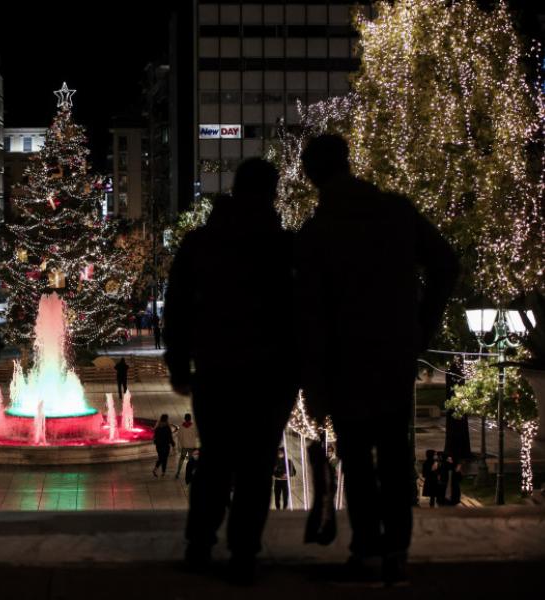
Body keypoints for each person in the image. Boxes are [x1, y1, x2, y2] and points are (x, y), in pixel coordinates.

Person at [295, 134, 458, 585]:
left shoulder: (318, 232)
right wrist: (422, 326)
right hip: (393, 353)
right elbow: (446, 263)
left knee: (358, 460)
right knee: (392, 452)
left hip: (344, 360)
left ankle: (367, 548)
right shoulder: (396, 212)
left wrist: (312, 381)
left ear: (312, 175)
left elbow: (309, 315)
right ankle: (396, 552)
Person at [164, 158, 298, 583]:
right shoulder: (281, 245)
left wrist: (179, 363)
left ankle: (200, 546)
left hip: (217, 368)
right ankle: (242, 553)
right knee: (257, 466)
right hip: (269, 374)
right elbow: (300, 313)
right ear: (270, 194)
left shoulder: (202, 242)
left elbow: (178, 308)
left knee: (217, 461)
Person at [175, 413, 199, 479]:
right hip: (191, 446)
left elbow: (179, 437)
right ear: (190, 418)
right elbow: (196, 435)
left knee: (181, 459)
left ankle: (178, 473)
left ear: (185, 418)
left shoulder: (181, 427)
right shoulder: (193, 426)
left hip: (184, 446)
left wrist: (179, 446)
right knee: (191, 460)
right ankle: (192, 472)